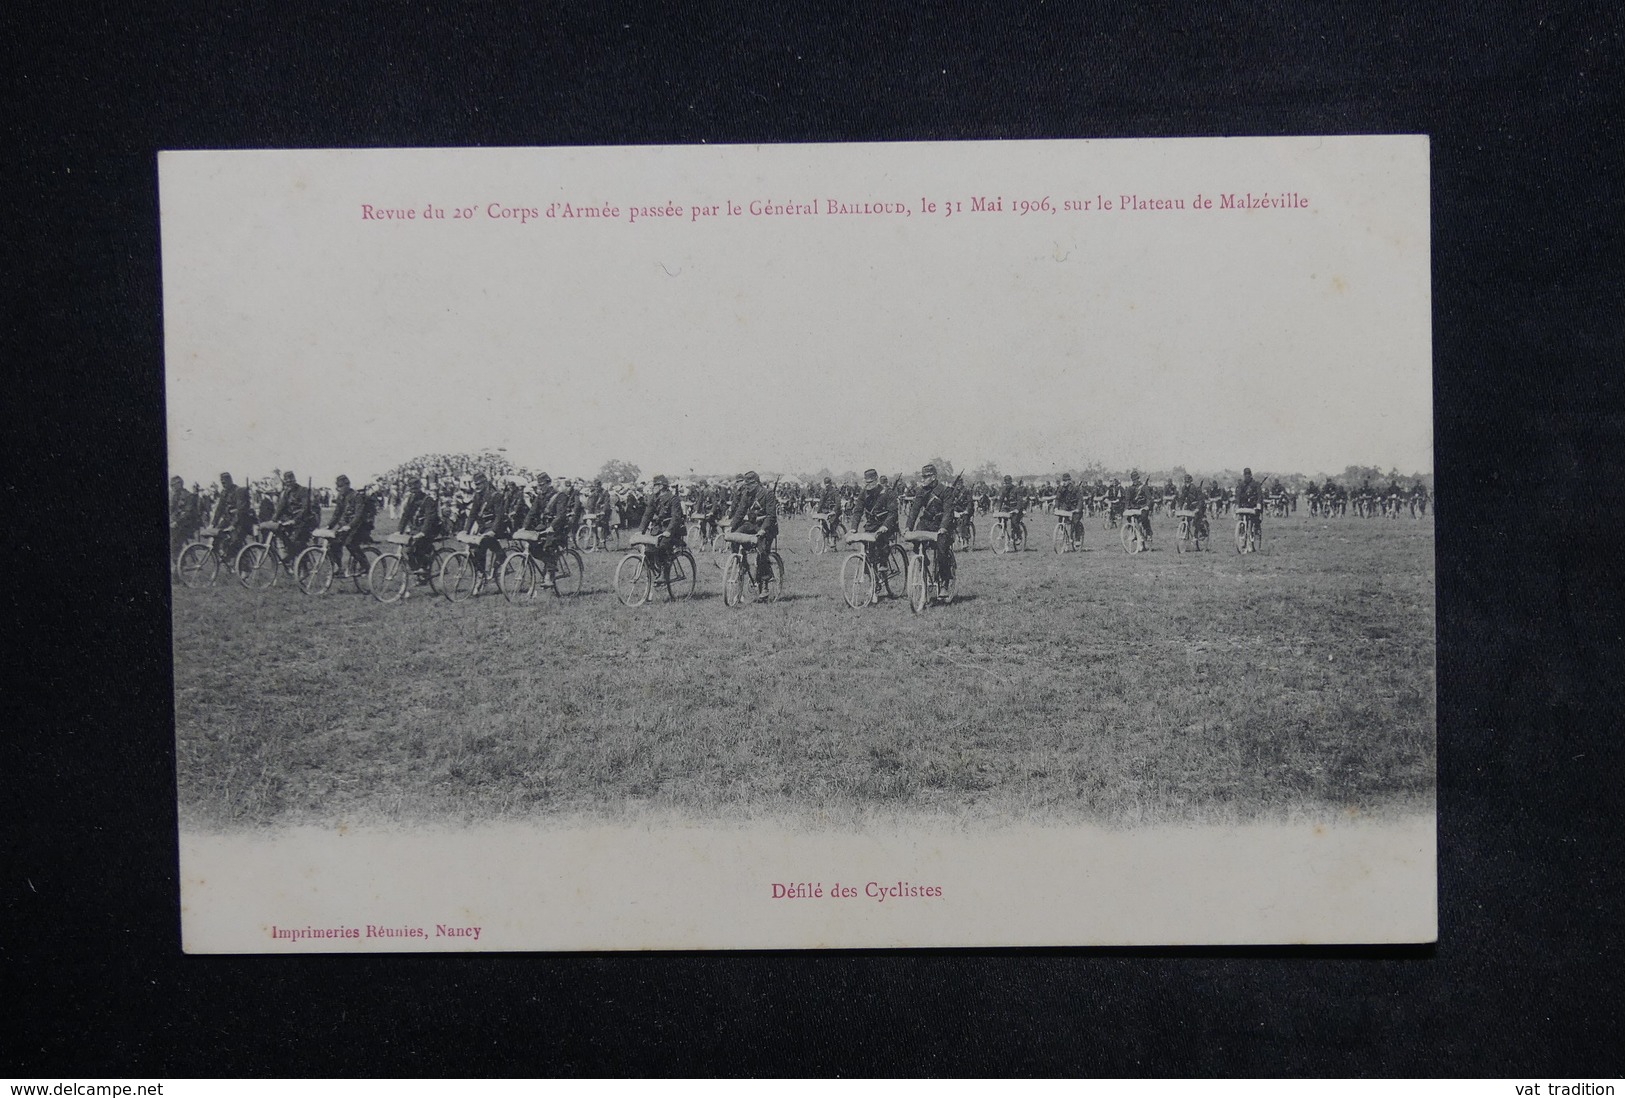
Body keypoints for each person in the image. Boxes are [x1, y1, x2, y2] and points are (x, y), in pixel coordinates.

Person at [905, 464, 957, 592]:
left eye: (926, 477)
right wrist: (908, 527)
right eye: (922, 477)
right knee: (915, 540)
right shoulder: (921, 491)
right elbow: (914, 510)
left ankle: (944, 583)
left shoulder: (945, 491)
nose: (923, 479)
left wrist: (944, 527)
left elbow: (948, 512)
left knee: (942, 551)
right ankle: (923, 560)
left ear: (933, 477)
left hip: (941, 525)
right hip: (926, 522)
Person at [727, 470, 779, 598]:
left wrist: (763, 530)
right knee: (735, 536)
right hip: (751, 524)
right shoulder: (747, 494)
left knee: (762, 552)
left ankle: (765, 584)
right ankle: (741, 563)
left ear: (756, 483)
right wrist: (731, 526)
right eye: (746, 484)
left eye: (749, 484)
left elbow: (771, 516)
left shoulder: (768, 494)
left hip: (766, 526)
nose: (747, 487)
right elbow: (740, 511)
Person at [639, 474, 687, 596]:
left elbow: (676, 518)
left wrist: (669, 531)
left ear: (661, 486)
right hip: (658, 530)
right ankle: (655, 573)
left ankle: (664, 574)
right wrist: (641, 530)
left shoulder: (673, 498)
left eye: (655, 485)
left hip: (672, 531)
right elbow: (647, 514)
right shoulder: (653, 498)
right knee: (648, 549)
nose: (653, 487)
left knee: (662, 547)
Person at [463, 471, 509, 575]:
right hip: (483, 526)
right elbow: (472, 514)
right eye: (475, 484)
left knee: (484, 540)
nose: (476, 487)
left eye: (479, 484)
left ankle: (500, 554)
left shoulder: (495, 495)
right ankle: (480, 574)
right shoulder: (478, 496)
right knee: (474, 549)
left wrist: (493, 531)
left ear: (485, 483)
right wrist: (465, 530)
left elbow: (499, 516)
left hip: (496, 525)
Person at [854, 468, 899, 574]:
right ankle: (874, 580)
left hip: (886, 524)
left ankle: (884, 563)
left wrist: (885, 526)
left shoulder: (887, 492)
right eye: (867, 482)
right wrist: (853, 528)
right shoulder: (863, 493)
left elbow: (893, 512)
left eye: (871, 482)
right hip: (871, 525)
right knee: (867, 551)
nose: (869, 484)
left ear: (877, 480)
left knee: (881, 542)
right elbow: (858, 510)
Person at [328, 474, 374, 576]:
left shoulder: (357, 496)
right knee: (333, 542)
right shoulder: (340, 497)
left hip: (360, 526)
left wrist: (349, 525)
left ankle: (365, 566)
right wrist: (329, 526)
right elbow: (337, 513)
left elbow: (359, 514)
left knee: (351, 544)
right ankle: (338, 567)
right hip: (345, 525)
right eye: (338, 487)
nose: (340, 489)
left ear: (347, 485)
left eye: (342, 486)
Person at [272, 470, 319, 555]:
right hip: (293, 521)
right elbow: (281, 506)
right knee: (283, 535)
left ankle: (302, 564)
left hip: (305, 520)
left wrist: (295, 520)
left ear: (294, 479)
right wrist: (274, 518)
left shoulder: (303, 490)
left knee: (296, 541)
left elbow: (305, 509)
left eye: (290, 480)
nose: (289, 483)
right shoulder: (287, 492)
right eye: (286, 481)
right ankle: (293, 559)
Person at [169, 475, 200, 566]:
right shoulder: (175, 496)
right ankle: (182, 562)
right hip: (178, 524)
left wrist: (176, 522)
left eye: (173, 485)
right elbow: (172, 511)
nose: (172, 487)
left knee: (174, 545)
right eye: (171, 485)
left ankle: (180, 568)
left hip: (188, 525)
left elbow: (187, 514)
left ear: (179, 484)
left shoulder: (188, 496)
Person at [1176, 473, 1208, 543]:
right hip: (1190, 506)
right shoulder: (1184, 488)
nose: (1186, 483)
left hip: (1199, 506)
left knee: (1197, 520)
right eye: (1185, 482)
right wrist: (1180, 507)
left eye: (1188, 482)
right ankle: (1184, 533)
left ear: (1191, 481)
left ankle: (1199, 534)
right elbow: (1182, 498)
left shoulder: (1196, 488)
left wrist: (1197, 509)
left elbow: (1201, 500)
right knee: (1185, 518)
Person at [996, 474, 1025, 548]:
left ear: (1011, 482)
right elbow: (1000, 500)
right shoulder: (1003, 489)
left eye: (1008, 483)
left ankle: (1019, 535)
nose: (1007, 485)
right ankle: (1002, 529)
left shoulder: (1016, 489)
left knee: (1014, 521)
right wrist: (997, 509)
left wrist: (1017, 509)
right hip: (1007, 507)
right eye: (1006, 483)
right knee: (1000, 515)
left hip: (1015, 508)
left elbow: (1020, 501)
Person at [1054, 472, 1082, 543]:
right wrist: (1056, 507)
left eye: (1066, 480)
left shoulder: (1075, 488)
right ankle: (1062, 532)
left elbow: (1080, 499)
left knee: (1075, 522)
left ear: (1069, 481)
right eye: (1063, 480)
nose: (1065, 482)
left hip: (1075, 508)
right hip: (1066, 508)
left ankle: (1077, 538)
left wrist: (1078, 509)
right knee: (1061, 518)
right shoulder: (1061, 488)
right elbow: (1057, 498)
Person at [1235, 467, 1263, 537]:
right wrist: (1237, 504)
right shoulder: (1241, 485)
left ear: (1251, 475)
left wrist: (1258, 504)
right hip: (1244, 506)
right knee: (1241, 519)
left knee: (1255, 520)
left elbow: (1259, 495)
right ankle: (1241, 534)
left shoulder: (1256, 484)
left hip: (1253, 505)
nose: (1247, 475)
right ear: (1244, 475)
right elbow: (1238, 495)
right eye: (1245, 474)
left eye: (1248, 474)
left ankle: (1256, 532)